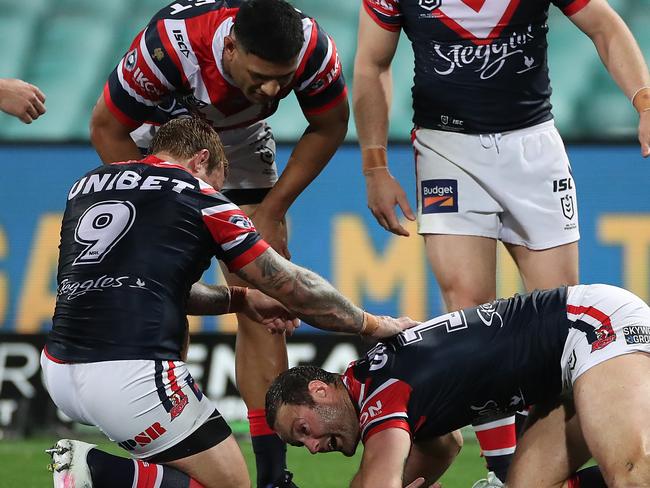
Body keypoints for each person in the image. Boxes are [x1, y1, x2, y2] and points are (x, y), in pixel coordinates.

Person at [353, 0, 650, 483]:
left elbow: (603, 23)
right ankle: (500, 470)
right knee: (468, 310)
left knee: (557, 325)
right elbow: (371, 63)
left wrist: (645, 100)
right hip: (446, 147)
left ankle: (546, 470)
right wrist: (374, 165)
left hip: (533, 145)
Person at [42, 118, 417, 488]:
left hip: (59, 369)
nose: (221, 191)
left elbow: (146, 286)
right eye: (220, 181)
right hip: (131, 374)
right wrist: (369, 323)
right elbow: (292, 285)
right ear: (201, 161)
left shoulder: (88, 185)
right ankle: (97, 470)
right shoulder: (200, 197)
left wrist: (239, 298)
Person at [89, 0, 349, 484]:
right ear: (230, 46)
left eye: (282, 79)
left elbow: (331, 123)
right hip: (161, 143)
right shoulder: (169, 45)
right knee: (166, 299)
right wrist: (161, 200)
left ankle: (273, 476)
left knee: (268, 304)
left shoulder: (312, 47)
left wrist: (272, 210)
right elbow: (106, 125)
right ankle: (167, 457)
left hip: (242, 142)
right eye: (260, 75)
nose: (273, 89)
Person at [267, 283, 650, 488]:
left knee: (632, 474)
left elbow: (377, 479)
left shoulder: (378, 398)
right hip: (561, 373)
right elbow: (443, 446)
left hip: (590, 325)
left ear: (320, 391)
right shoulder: (373, 382)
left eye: (304, 430)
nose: (313, 447)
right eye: (301, 444)